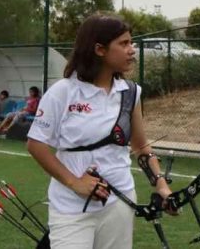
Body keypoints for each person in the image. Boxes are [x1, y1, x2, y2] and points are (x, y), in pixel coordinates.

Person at [27, 15, 172, 249]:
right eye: (123, 44)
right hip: (71, 206)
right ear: (99, 49)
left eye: (131, 43)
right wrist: (75, 183)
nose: (131, 50)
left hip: (120, 202)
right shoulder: (63, 91)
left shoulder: (130, 93)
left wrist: (161, 185)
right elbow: (36, 145)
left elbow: (141, 145)